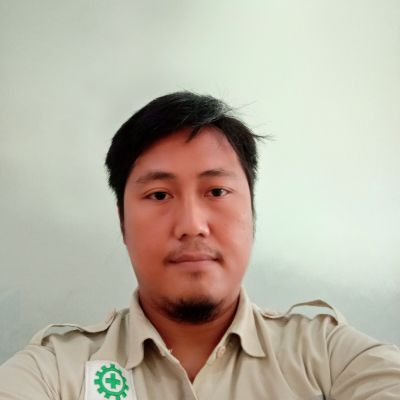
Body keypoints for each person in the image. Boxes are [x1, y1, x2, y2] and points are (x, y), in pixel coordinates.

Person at [0, 92, 399, 399]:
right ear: (122, 222)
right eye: (159, 195)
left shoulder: (327, 355)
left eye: (217, 191)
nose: (192, 225)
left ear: (252, 212)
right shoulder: (56, 370)